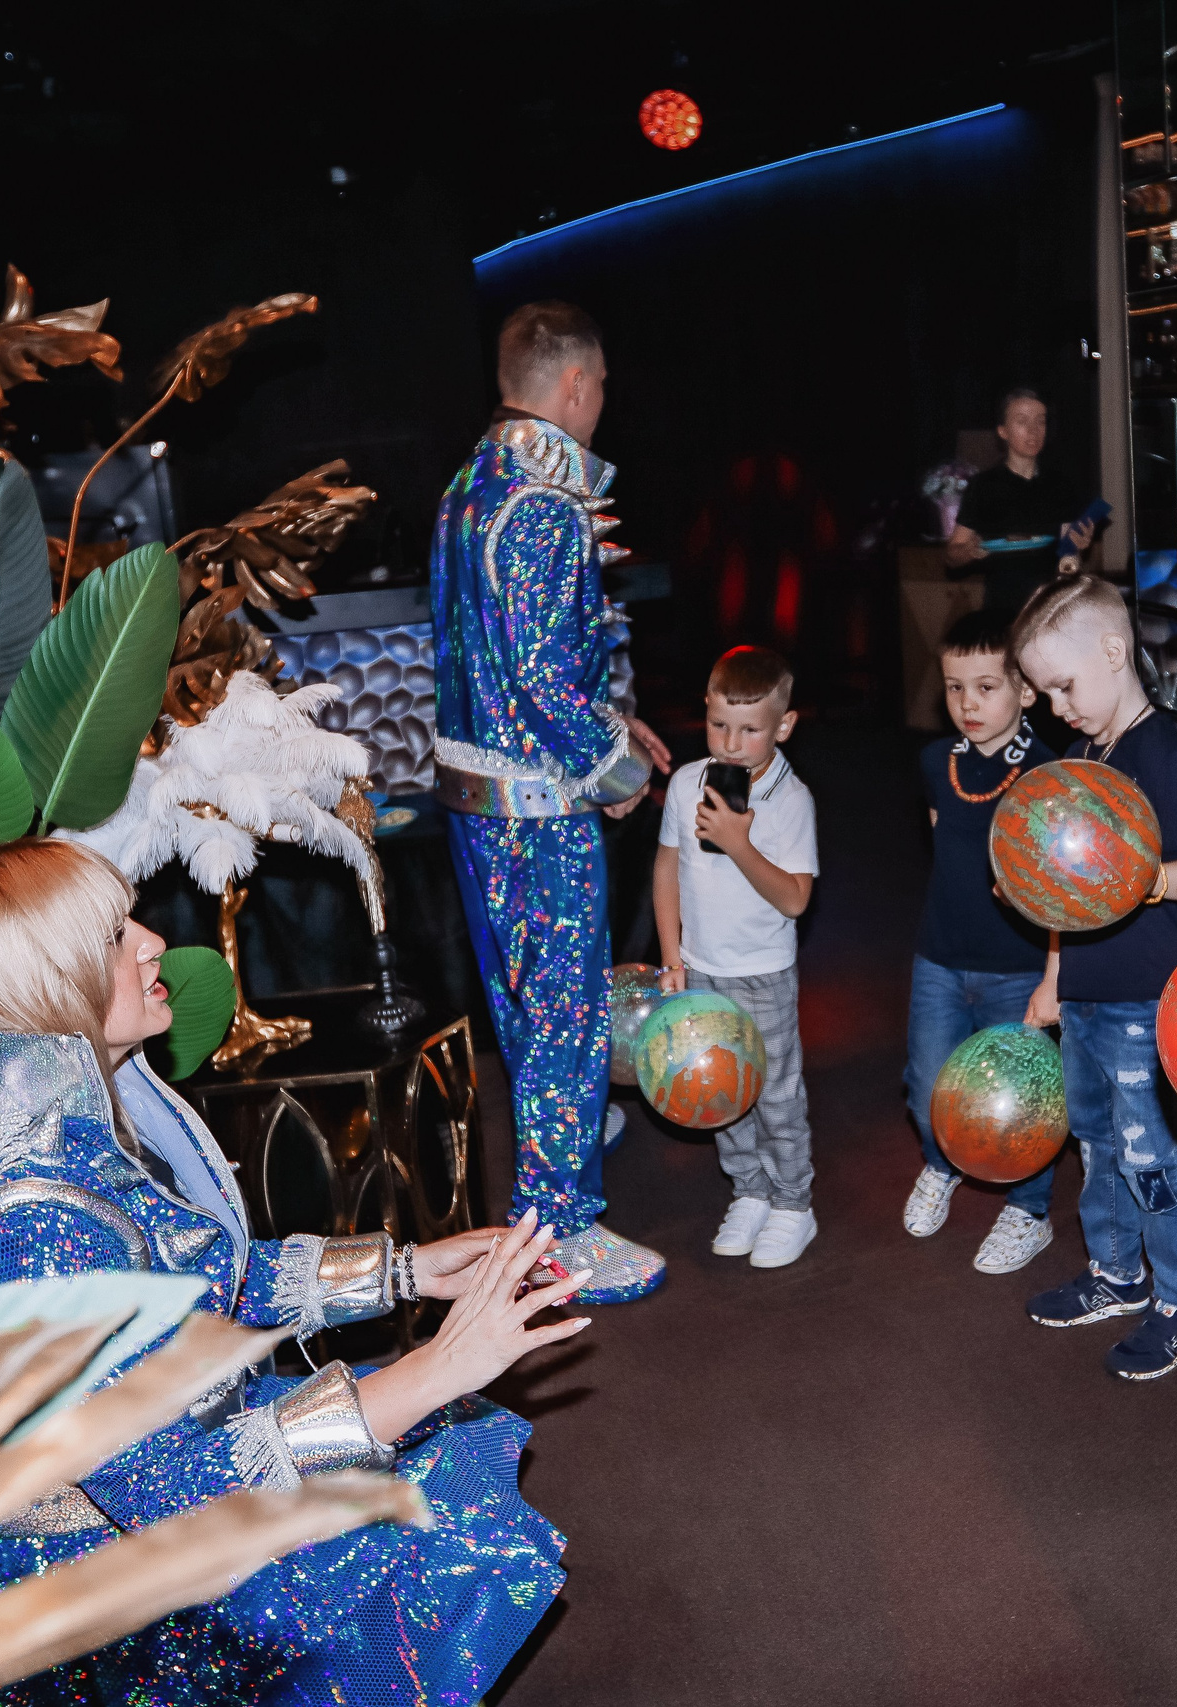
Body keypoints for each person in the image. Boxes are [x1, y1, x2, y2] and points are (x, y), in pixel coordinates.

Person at [0, 838, 585, 1705]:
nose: (151, 942)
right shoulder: (34, 1222)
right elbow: (174, 1493)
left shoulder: (24, 1130)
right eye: (111, 934)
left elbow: (193, 1282)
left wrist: (403, 1270)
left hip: (147, 1468)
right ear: (43, 992)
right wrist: (433, 1367)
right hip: (84, 1590)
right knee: (427, 1509)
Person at [431, 300, 675, 1305]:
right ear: (573, 384)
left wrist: (620, 724)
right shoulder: (540, 503)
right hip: (536, 809)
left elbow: (501, 657)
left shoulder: (466, 486)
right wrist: (616, 771)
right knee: (565, 1015)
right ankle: (559, 1233)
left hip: (480, 796)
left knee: (530, 1013)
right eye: (603, 382)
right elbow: (541, 677)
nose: (604, 399)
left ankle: (555, 1155)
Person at [1010, 575, 1177, 1380]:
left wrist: (1144, 878)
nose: (1056, 705)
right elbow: (1062, 892)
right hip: (1086, 997)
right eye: (1045, 691)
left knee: (1150, 1153)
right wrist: (1052, 975)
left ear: (1113, 649)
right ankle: (1116, 1273)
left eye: (1063, 684)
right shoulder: (1077, 757)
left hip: (1143, 997)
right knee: (1096, 1146)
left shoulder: (1164, 751)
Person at [901, 607, 1063, 1273]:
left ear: (1026, 689)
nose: (968, 702)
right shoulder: (936, 760)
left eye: (986, 686)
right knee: (925, 1084)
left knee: (1020, 1100)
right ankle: (941, 1166)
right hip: (940, 954)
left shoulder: (1050, 773)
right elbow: (946, 843)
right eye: (954, 686)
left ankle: (1030, 1209)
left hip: (1016, 965)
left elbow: (1063, 892)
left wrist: (1054, 976)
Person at [652, 645, 823, 1268]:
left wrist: (738, 842)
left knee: (776, 1094)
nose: (730, 743)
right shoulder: (684, 783)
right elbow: (668, 866)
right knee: (721, 1088)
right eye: (718, 725)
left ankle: (792, 1203)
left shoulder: (791, 800)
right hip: (700, 965)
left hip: (763, 972)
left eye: (750, 730)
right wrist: (672, 957)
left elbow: (797, 899)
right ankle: (749, 1190)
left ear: (783, 726)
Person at [946, 388, 1099, 619]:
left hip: (1052, 609)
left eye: (1041, 421)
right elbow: (951, 556)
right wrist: (968, 551)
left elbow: (1069, 559)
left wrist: (1077, 547)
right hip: (1001, 610)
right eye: (1022, 421)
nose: (1034, 430)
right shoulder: (983, 486)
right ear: (1003, 431)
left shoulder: (1060, 485)